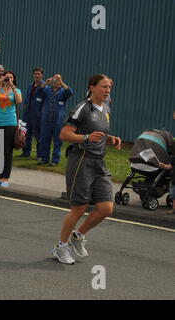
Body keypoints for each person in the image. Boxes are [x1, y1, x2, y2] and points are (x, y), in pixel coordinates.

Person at [51, 74, 121, 265]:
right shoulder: (82, 107)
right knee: (79, 208)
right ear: (92, 87)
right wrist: (86, 138)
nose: (107, 90)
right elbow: (64, 134)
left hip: (100, 162)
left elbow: (98, 133)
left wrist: (109, 139)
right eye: (104, 87)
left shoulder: (106, 108)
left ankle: (78, 235)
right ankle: (61, 247)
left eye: (109, 87)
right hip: (82, 160)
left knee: (106, 208)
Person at [0, 70, 23, 187]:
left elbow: (19, 101)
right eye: (6, 77)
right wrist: (0, 86)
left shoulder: (16, 90)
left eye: (11, 77)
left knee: (7, 152)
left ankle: (6, 179)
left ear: (13, 79)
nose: (8, 79)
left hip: (10, 123)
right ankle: (0, 177)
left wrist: (12, 87)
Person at [38, 74, 73, 166]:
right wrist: (45, 83)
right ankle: (44, 158)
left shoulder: (63, 91)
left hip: (58, 119)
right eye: (55, 80)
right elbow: (39, 91)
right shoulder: (47, 90)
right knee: (45, 139)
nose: (56, 82)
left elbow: (70, 92)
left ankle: (55, 160)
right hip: (46, 118)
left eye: (58, 80)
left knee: (57, 140)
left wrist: (61, 81)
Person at [21, 67, 45, 160]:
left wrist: (41, 113)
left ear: (42, 75)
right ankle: (26, 152)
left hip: (37, 115)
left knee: (38, 135)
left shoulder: (44, 86)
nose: (37, 75)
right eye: (35, 74)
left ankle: (39, 155)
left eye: (38, 74)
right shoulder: (30, 85)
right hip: (27, 113)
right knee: (25, 133)